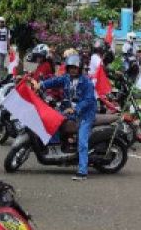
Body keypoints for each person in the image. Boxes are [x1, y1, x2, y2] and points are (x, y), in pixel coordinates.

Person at [40, 54, 98, 182]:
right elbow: (54, 81)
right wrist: (41, 85)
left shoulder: (86, 82)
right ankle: (56, 148)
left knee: (82, 142)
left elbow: (89, 100)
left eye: (75, 68)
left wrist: (76, 109)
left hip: (85, 114)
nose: (73, 70)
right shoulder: (66, 78)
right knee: (52, 119)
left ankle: (82, 172)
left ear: (80, 68)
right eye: (71, 67)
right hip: (69, 110)